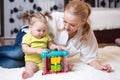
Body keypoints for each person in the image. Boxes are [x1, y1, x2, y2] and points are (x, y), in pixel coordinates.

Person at [0, 0, 111, 72]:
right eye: (65, 21)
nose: (66, 26)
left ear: (83, 21)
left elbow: (90, 58)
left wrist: (100, 66)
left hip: (42, 52)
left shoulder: (86, 34)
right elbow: (36, 27)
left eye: (72, 24)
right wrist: (49, 46)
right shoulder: (55, 18)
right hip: (30, 35)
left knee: (13, 63)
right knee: (19, 53)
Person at [21, 12, 65, 79]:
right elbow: (25, 49)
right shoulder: (27, 36)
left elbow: (50, 44)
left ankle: (65, 66)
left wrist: (54, 47)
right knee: (30, 67)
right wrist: (36, 50)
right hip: (32, 60)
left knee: (55, 64)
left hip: (44, 60)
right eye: (39, 30)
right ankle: (28, 74)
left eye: (44, 30)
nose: (41, 33)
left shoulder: (46, 36)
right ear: (30, 27)